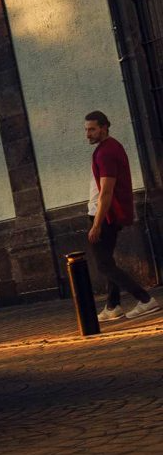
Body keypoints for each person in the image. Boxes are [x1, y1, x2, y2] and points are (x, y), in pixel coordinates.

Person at [83, 111, 159, 320]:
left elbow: (107, 191)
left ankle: (145, 299)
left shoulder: (106, 152)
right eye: (86, 129)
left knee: (104, 264)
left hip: (104, 215)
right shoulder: (109, 148)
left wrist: (97, 224)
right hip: (105, 213)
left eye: (92, 129)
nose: (88, 134)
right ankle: (112, 306)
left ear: (104, 127)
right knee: (108, 261)